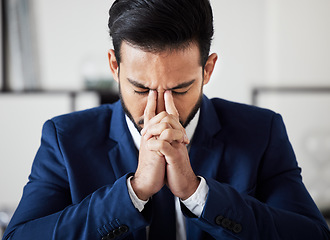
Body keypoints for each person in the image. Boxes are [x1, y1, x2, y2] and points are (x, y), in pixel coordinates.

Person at [3, 0, 330, 239]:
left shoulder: (262, 132)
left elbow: (312, 235)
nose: (160, 109)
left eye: (181, 88)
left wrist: (197, 194)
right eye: (141, 88)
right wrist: (133, 192)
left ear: (208, 70)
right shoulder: (64, 138)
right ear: (115, 68)